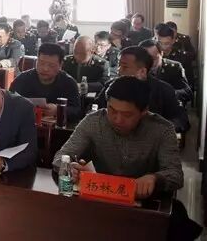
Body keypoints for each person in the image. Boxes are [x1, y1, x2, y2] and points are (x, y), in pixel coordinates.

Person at [54, 76, 183, 200]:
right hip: (97, 196)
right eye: (112, 110)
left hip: (142, 202)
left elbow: (175, 174)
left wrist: (155, 178)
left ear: (144, 111)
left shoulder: (162, 130)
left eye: (127, 115)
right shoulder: (93, 122)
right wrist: (69, 167)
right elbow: (60, 157)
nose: (118, 120)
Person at [94, 46, 188, 133]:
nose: (119, 70)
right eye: (119, 65)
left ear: (142, 71)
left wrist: (159, 130)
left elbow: (180, 119)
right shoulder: (111, 86)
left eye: (125, 67)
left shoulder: (163, 90)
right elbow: (95, 109)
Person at [10, 43, 80, 123]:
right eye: (41, 63)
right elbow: (9, 104)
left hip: (57, 128)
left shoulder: (69, 83)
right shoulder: (22, 79)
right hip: (25, 125)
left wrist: (58, 110)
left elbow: (77, 112)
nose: (45, 69)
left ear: (60, 65)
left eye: (51, 65)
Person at [140, 39, 192, 105]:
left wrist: (168, 93)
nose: (149, 62)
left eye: (153, 59)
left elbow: (187, 92)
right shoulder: (136, 69)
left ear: (161, 54)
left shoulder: (174, 68)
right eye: (145, 59)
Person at [156, 23, 195, 92]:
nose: (163, 47)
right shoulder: (153, 56)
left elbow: (188, 87)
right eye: (160, 43)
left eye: (167, 43)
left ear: (173, 41)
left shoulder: (182, 58)